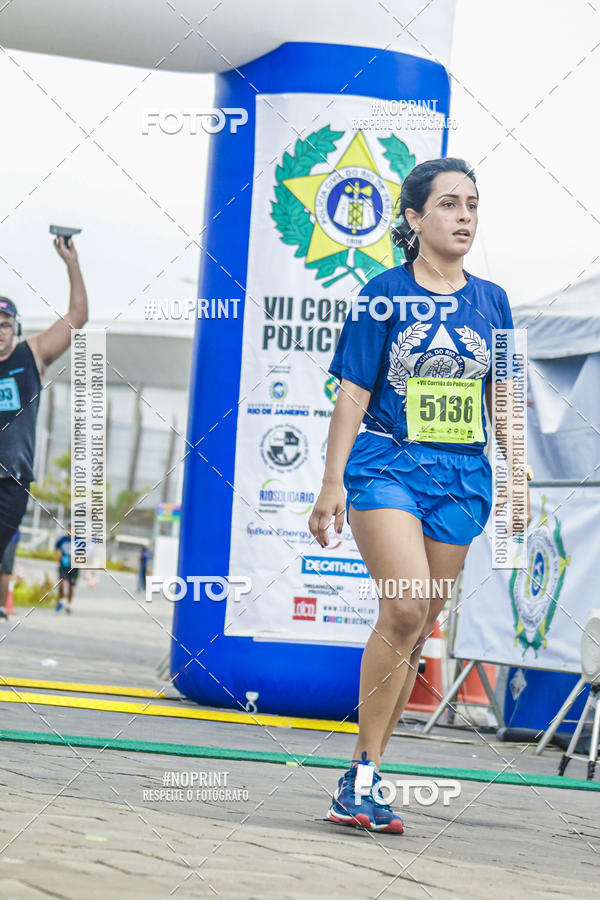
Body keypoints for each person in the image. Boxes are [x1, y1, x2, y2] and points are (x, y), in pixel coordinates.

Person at [308, 158, 532, 834]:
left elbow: (505, 395)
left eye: (472, 204)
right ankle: (364, 778)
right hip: (387, 465)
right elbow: (352, 392)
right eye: (448, 205)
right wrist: (329, 486)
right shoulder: (381, 294)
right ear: (412, 219)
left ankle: (364, 775)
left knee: (415, 628)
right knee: (402, 604)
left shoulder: (492, 301)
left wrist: (517, 478)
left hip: (463, 477)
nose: (464, 216)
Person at [0, 237, 88, 559]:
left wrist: (72, 264)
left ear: (15, 328)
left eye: (5, 325)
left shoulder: (32, 355)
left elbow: (78, 317)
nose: (0, 331)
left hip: (12, 480)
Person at [55, 522, 78, 613]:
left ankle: (69, 604)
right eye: (69, 529)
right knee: (62, 584)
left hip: (74, 566)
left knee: (71, 586)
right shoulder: (62, 540)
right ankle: (61, 601)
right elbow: (57, 549)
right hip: (63, 565)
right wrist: (59, 554)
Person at [0, 528, 20, 619]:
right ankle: (2, 608)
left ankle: (2, 608)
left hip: (11, 535)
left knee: (5, 572)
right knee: (5, 571)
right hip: (11, 533)